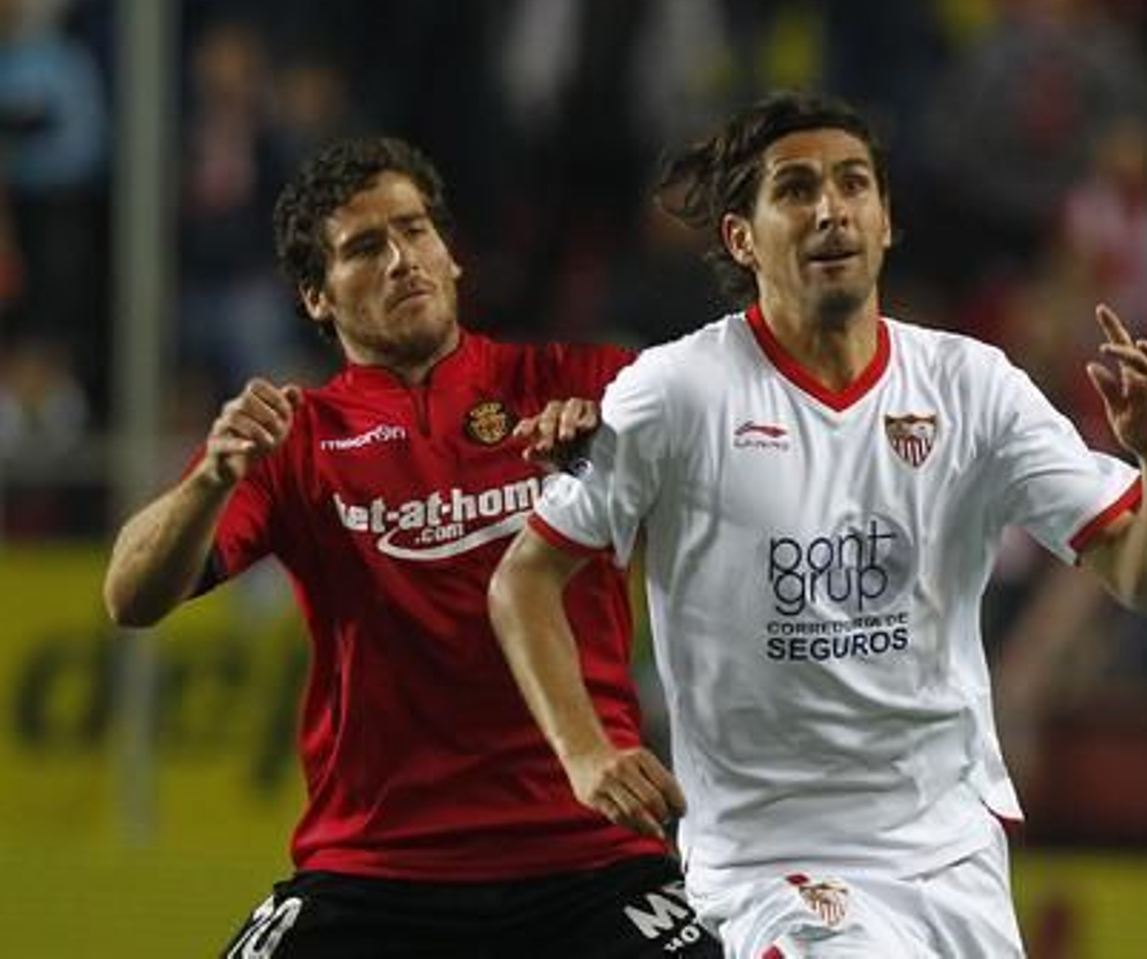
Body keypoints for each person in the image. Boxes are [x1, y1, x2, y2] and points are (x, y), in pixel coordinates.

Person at [488, 91, 1147, 956]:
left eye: (853, 184)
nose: (830, 208)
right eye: (795, 189)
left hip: (951, 853)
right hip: (767, 861)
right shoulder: (675, 392)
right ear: (742, 237)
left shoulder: (972, 387)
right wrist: (585, 752)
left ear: (887, 220)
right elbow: (523, 579)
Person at [103, 136, 719, 958]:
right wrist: (210, 478)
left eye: (417, 230)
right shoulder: (296, 439)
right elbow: (129, 597)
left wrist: (617, 456)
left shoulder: (586, 385)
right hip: (373, 869)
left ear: (452, 256)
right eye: (365, 247)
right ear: (316, 296)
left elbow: (747, 494)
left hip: (592, 854)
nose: (403, 259)